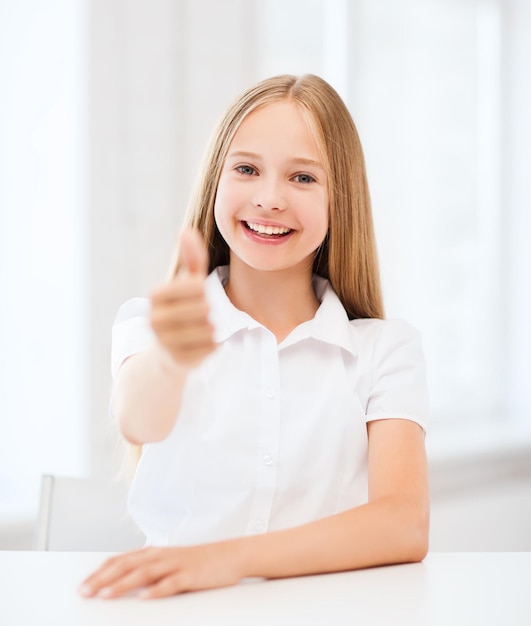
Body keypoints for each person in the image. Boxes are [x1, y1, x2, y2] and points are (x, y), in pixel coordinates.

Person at [80, 73, 429, 600]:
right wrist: (172, 358)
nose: (269, 199)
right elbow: (138, 418)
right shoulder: (149, 322)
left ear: (342, 200)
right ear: (215, 182)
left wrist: (227, 559)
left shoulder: (384, 349)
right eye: (246, 169)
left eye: (303, 178)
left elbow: (404, 524)